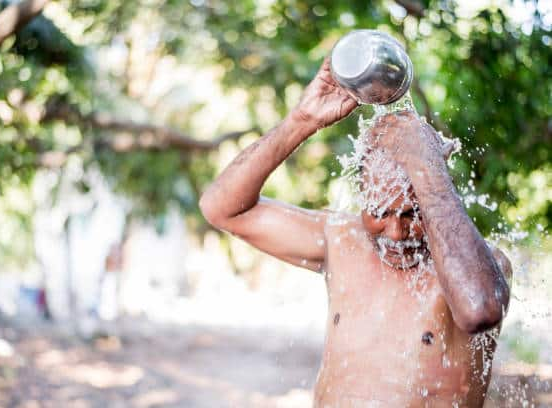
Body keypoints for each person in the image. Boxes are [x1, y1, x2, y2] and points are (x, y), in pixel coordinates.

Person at [198, 55, 512, 406]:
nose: (395, 233)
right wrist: (301, 121)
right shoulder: (341, 239)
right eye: (379, 213)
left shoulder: (479, 268)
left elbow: (479, 309)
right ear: (361, 192)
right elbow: (220, 208)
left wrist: (427, 164)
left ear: (438, 193)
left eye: (413, 212)